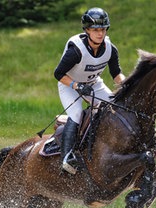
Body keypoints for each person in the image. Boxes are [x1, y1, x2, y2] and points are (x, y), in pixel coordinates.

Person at [53, 7, 126, 174]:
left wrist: (127, 84)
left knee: (115, 107)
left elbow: (116, 74)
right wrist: (77, 86)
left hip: (93, 84)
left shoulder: (110, 49)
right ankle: (66, 158)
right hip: (69, 85)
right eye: (95, 30)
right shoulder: (76, 50)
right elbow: (58, 74)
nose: (100, 34)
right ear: (87, 30)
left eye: (103, 29)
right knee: (77, 113)